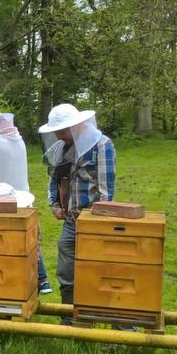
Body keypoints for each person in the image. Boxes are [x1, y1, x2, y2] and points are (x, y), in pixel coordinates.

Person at [39, 103, 116, 309]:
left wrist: (97, 223)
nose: (58, 136)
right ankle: (68, 317)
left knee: (92, 272)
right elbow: (54, 179)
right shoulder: (61, 148)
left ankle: (88, 318)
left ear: (76, 126)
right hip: (71, 222)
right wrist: (54, 205)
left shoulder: (102, 145)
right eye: (56, 132)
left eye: (62, 132)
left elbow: (105, 191)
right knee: (65, 272)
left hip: (93, 222)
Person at [0, 109, 52, 294]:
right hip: (24, 199)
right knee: (30, 240)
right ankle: (42, 280)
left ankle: (12, 282)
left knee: (4, 243)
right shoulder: (19, 138)